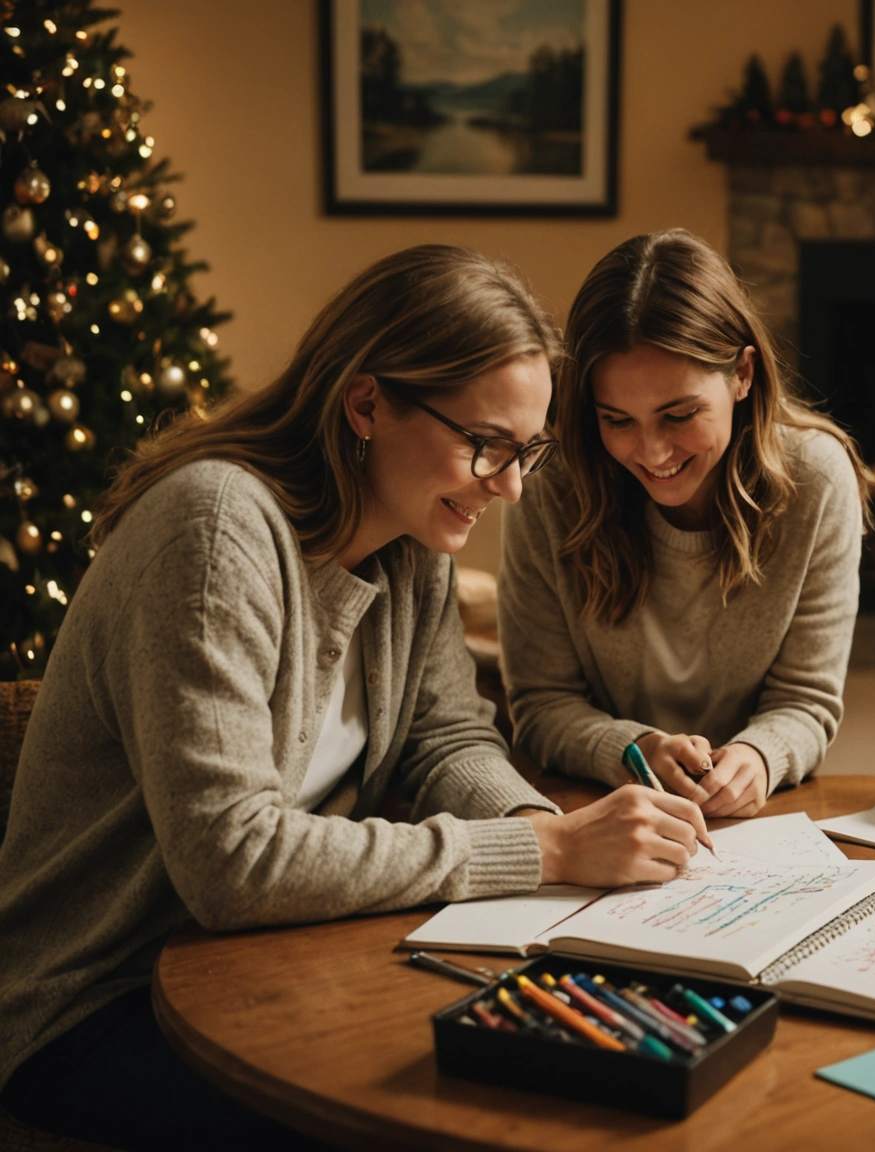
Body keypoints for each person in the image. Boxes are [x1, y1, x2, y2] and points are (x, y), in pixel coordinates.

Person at [0, 246, 713, 1148]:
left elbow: (447, 738)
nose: (510, 486)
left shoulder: (411, 540)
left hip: (275, 961)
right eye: (486, 445)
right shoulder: (215, 532)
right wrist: (544, 849)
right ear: (367, 404)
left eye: (526, 450)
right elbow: (232, 862)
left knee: (568, 1085)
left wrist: (546, 834)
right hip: (97, 1001)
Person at [500, 230, 870, 818]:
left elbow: (806, 701)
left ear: (743, 374)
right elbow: (541, 706)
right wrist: (634, 750)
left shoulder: (818, 479)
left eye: (679, 415)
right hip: (599, 803)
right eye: (617, 420)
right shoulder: (549, 485)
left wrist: (759, 755)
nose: (652, 452)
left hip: (753, 818)